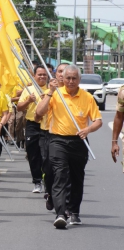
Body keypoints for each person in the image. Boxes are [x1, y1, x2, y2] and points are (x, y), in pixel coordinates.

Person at [36, 64, 102, 229]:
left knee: (76, 178)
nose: (71, 81)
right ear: (62, 79)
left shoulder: (87, 97)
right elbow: (39, 112)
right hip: (57, 140)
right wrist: (50, 92)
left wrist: (88, 129)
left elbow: (98, 121)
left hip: (79, 142)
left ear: (79, 79)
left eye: (74, 78)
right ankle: (60, 213)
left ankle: (74, 212)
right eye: (68, 78)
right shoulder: (55, 94)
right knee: (60, 175)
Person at [40, 62, 68, 210]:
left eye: (66, 72)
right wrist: (50, 92)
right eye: (60, 72)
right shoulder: (49, 92)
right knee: (49, 170)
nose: (63, 75)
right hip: (50, 135)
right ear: (56, 74)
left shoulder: (79, 94)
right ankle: (50, 193)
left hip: (72, 137)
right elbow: (39, 114)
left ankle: (67, 206)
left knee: (65, 172)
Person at [17, 65, 48, 193]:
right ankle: (37, 181)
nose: (42, 77)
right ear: (34, 76)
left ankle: (47, 180)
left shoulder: (52, 90)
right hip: (32, 125)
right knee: (33, 154)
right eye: (39, 74)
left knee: (45, 154)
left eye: (44, 75)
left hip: (46, 125)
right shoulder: (28, 90)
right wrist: (29, 100)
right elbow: (19, 107)